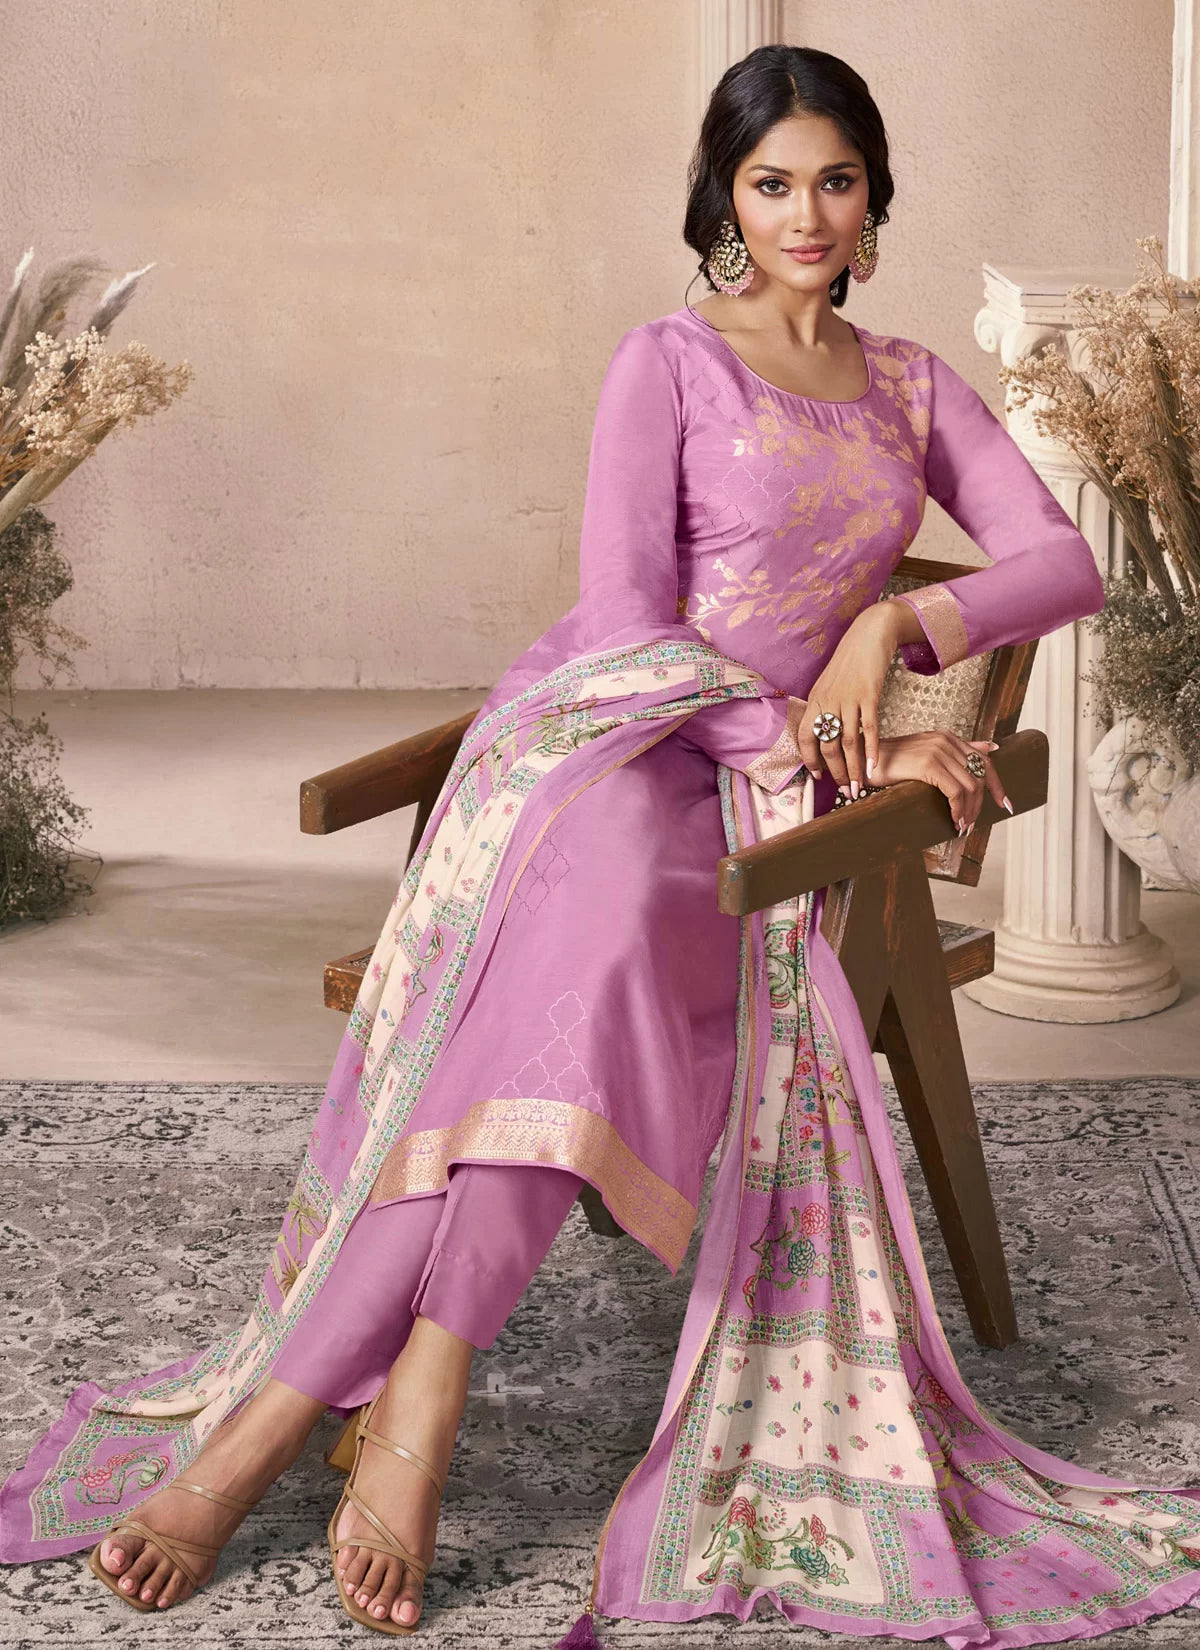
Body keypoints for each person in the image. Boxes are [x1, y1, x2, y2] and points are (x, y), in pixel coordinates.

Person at [3, 40, 1198, 1649]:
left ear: (874, 197)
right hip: (611, 751)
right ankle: (383, 1402)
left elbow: (1063, 563)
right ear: (724, 197)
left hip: (765, 815)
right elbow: (630, 627)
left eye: (836, 181)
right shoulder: (668, 363)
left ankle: (321, 1416)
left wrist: (896, 628)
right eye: (772, 183)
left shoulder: (911, 385)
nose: (806, 214)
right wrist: (800, 733)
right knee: (617, 911)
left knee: (573, 991)